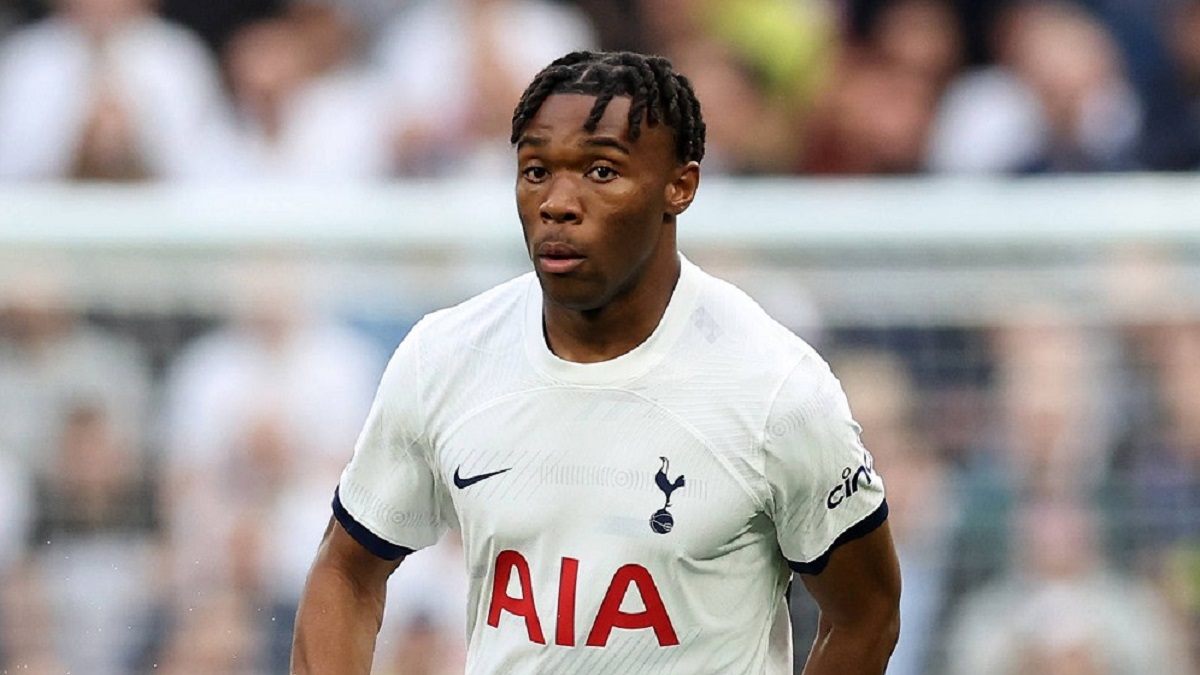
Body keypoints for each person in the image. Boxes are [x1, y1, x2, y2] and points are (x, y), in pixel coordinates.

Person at [291, 50, 901, 674]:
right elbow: (345, 572)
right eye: (535, 171)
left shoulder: (776, 388)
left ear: (680, 186)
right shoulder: (445, 357)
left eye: (601, 171)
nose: (557, 202)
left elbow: (868, 613)